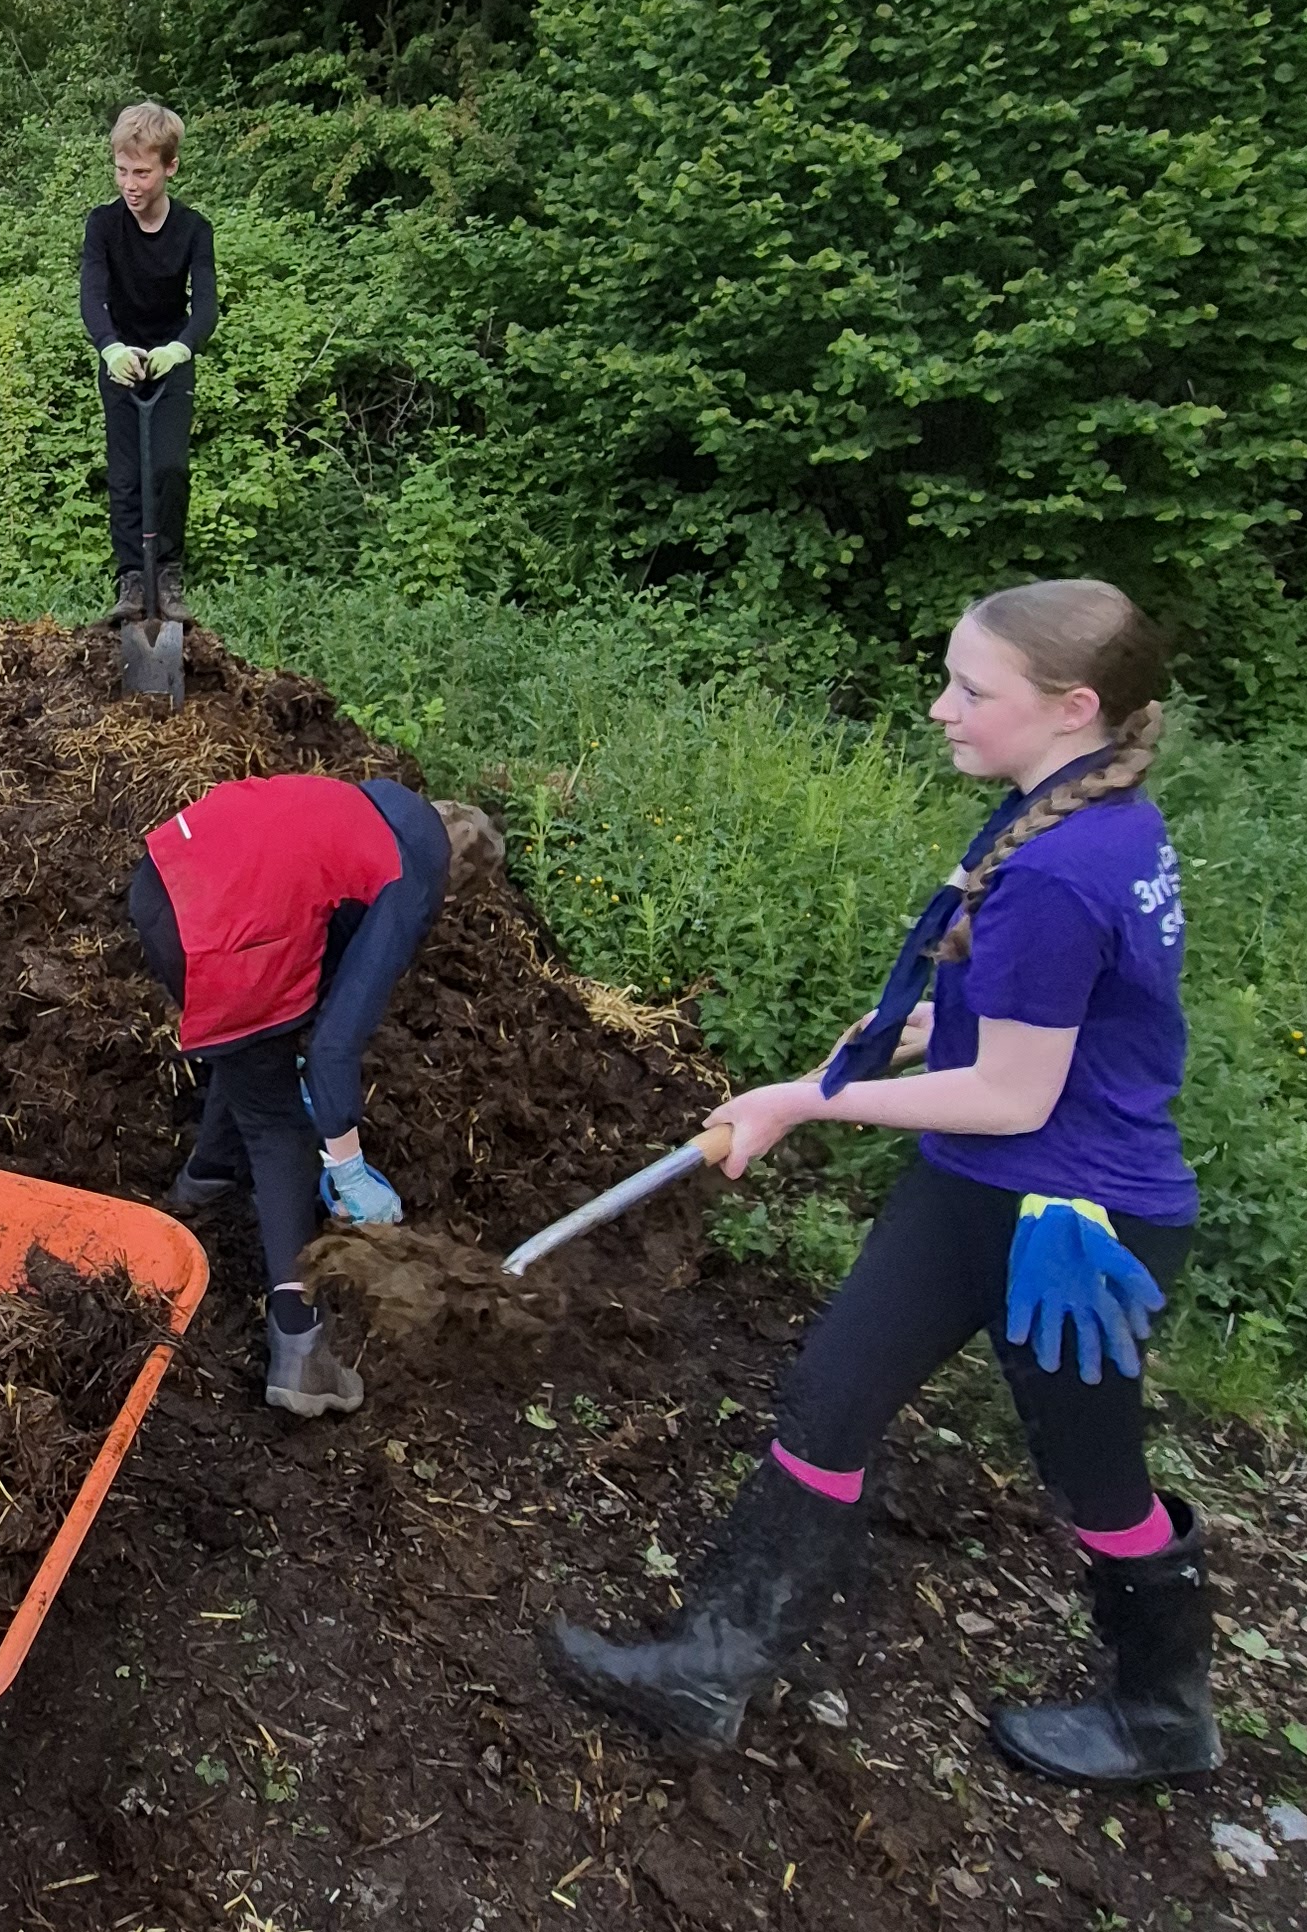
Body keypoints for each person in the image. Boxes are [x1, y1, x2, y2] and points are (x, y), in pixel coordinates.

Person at [544, 582, 1214, 1787]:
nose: (940, 707)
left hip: (1071, 1225)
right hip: (977, 1187)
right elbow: (1059, 1015)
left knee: (1094, 1473)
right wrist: (921, 1026)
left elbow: (1015, 1091)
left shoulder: (1068, 864)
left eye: (971, 689)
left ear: (1073, 707)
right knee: (832, 1394)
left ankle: (1165, 1710)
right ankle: (711, 1666)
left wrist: (804, 1099)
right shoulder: (1080, 809)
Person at [128, 772, 506, 1417]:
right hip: (224, 934)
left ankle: (205, 1180)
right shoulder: (412, 879)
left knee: (254, 1056)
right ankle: (300, 1351)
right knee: (280, 1129)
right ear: (452, 885)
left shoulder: (360, 808)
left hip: (162, 883)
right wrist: (347, 1165)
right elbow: (334, 1046)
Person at [79, 101, 217, 622]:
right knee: (125, 476)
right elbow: (93, 294)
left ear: (170, 166)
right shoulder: (103, 225)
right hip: (121, 358)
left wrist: (180, 347)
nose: (129, 184)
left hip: (169, 360)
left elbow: (206, 307)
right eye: (121, 170)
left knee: (169, 468)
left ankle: (168, 576)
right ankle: (133, 581)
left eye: (142, 172)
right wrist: (110, 346)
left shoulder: (193, 229)